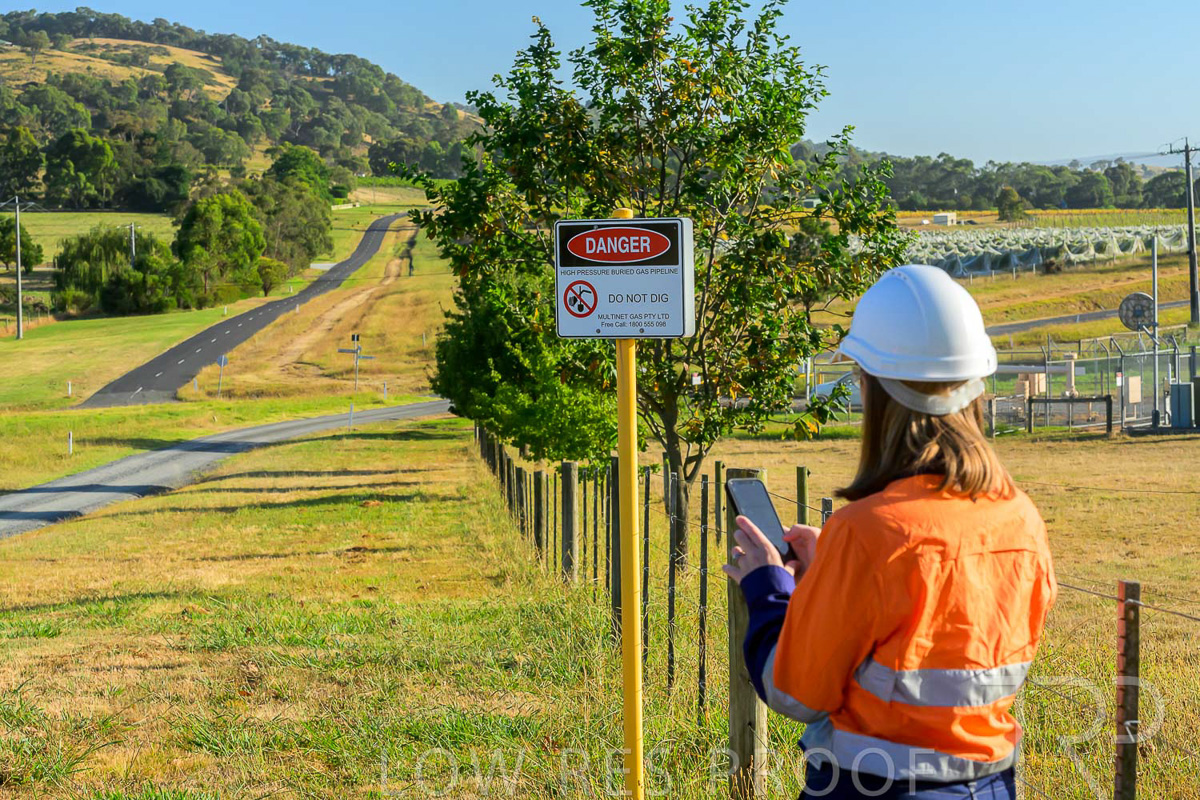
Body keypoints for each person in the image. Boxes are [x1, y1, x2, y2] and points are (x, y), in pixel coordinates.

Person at [724, 264, 1056, 799]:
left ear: (873, 388)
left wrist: (768, 588)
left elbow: (794, 692)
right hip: (992, 785)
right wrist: (832, 573)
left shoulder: (867, 532)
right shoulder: (1020, 518)